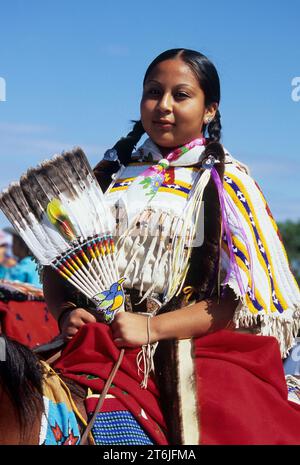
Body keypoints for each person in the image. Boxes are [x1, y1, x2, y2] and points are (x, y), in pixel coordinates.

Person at [43, 48, 300, 445]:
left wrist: (152, 327)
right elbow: (55, 260)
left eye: (180, 95)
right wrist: (64, 312)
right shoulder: (109, 177)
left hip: (185, 342)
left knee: (233, 421)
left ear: (209, 109)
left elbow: (237, 302)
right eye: (153, 92)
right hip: (97, 339)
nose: (163, 106)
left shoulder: (227, 184)